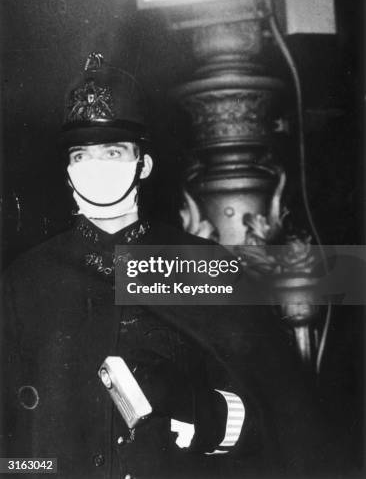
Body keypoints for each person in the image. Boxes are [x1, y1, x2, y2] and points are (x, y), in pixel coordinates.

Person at [1, 53, 354, 479]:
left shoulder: (203, 268)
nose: (94, 168)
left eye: (112, 152)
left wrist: (191, 402)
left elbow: (282, 426)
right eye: (80, 156)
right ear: (68, 171)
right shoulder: (26, 282)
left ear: (143, 165)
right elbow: (13, 450)